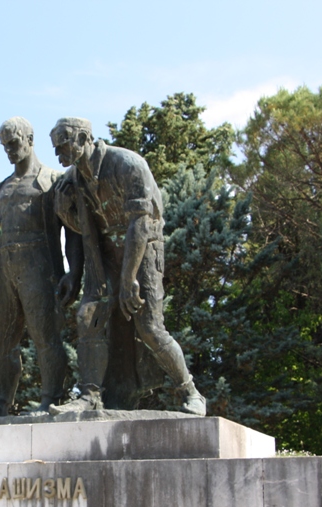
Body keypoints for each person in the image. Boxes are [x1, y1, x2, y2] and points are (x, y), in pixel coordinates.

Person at [47, 117, 206, 415]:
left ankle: (190, 391)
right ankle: (90, 395)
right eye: (55, 150)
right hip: (105, 251)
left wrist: (130, 276)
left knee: (148, 326)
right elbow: (80, 231)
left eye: (64, 146)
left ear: (83, 138)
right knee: (89, 315)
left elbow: (141, 224)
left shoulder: (127, 163)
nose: (59, 155)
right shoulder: (73, 179)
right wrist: (74, 267)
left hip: (143, 247)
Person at [0, 117, 82, 416]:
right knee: (1, 340)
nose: (9, 150)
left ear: (30, 138)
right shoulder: (2, 187)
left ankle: (52, 400)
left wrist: (74, 273)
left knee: (45, 338)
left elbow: (74, 231)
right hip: (3, 270)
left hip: (41, 266)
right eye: (4, 146)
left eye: (13, 143)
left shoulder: (55, 180)